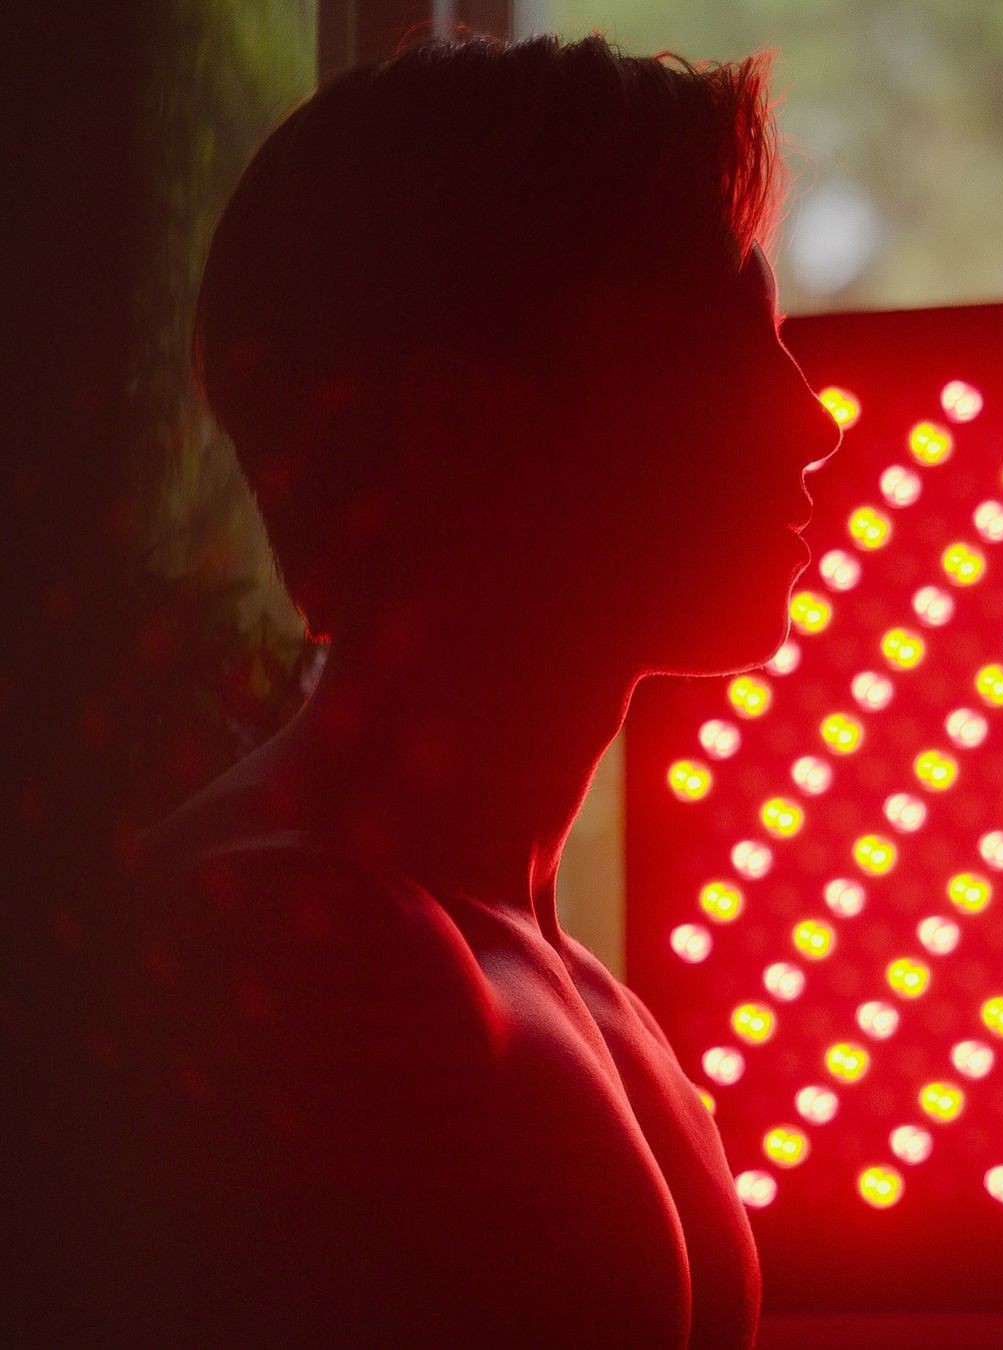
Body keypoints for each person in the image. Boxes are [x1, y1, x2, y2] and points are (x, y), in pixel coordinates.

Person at [114, 29, 840, 1349]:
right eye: (714, 340)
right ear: (459, 419)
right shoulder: (308, 950)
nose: (813, 422)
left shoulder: (544, 964)